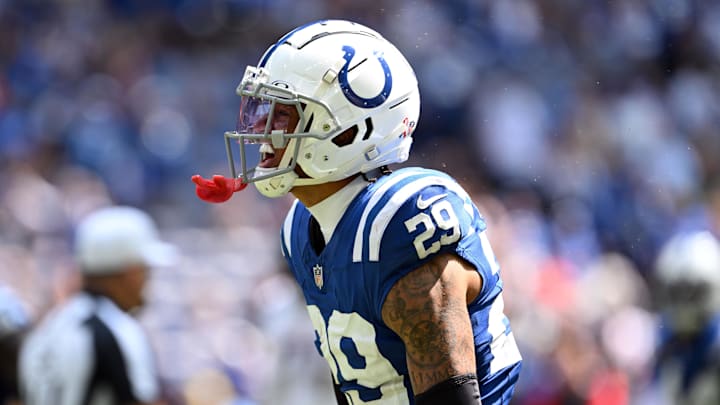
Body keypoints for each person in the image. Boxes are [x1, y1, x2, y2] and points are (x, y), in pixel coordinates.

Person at [193, 19, 522, 404]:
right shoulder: (300, 227)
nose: (262, 130)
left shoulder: (400, 218)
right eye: (263, 110)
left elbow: (452, 397)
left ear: (348, 130)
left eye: (282, 114)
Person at [18, 206, 176, 405]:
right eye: (145, 272)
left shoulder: (46, 329)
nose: (147, 283)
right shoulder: (118, 329)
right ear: (130, 273)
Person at [643, 230, 720, 405]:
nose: (683, 303)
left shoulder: (715, 342)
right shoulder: (665, 340)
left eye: (692, 292)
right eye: (675, 292)